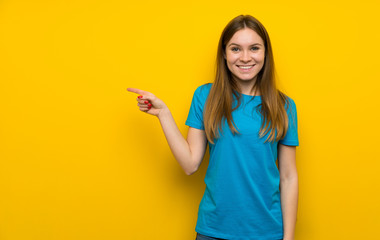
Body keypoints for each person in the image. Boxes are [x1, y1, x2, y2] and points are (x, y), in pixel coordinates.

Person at [128, 14, 299, 240]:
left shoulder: (284, 105)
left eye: (254, 48)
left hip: (267, 232)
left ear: (265, 53)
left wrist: (288, 238)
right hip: (213, 231)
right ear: (224, 54)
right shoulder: (205, 96)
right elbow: (190, 164)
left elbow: (288, 176)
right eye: (236, 49)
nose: (245, 57)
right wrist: (163, 114)